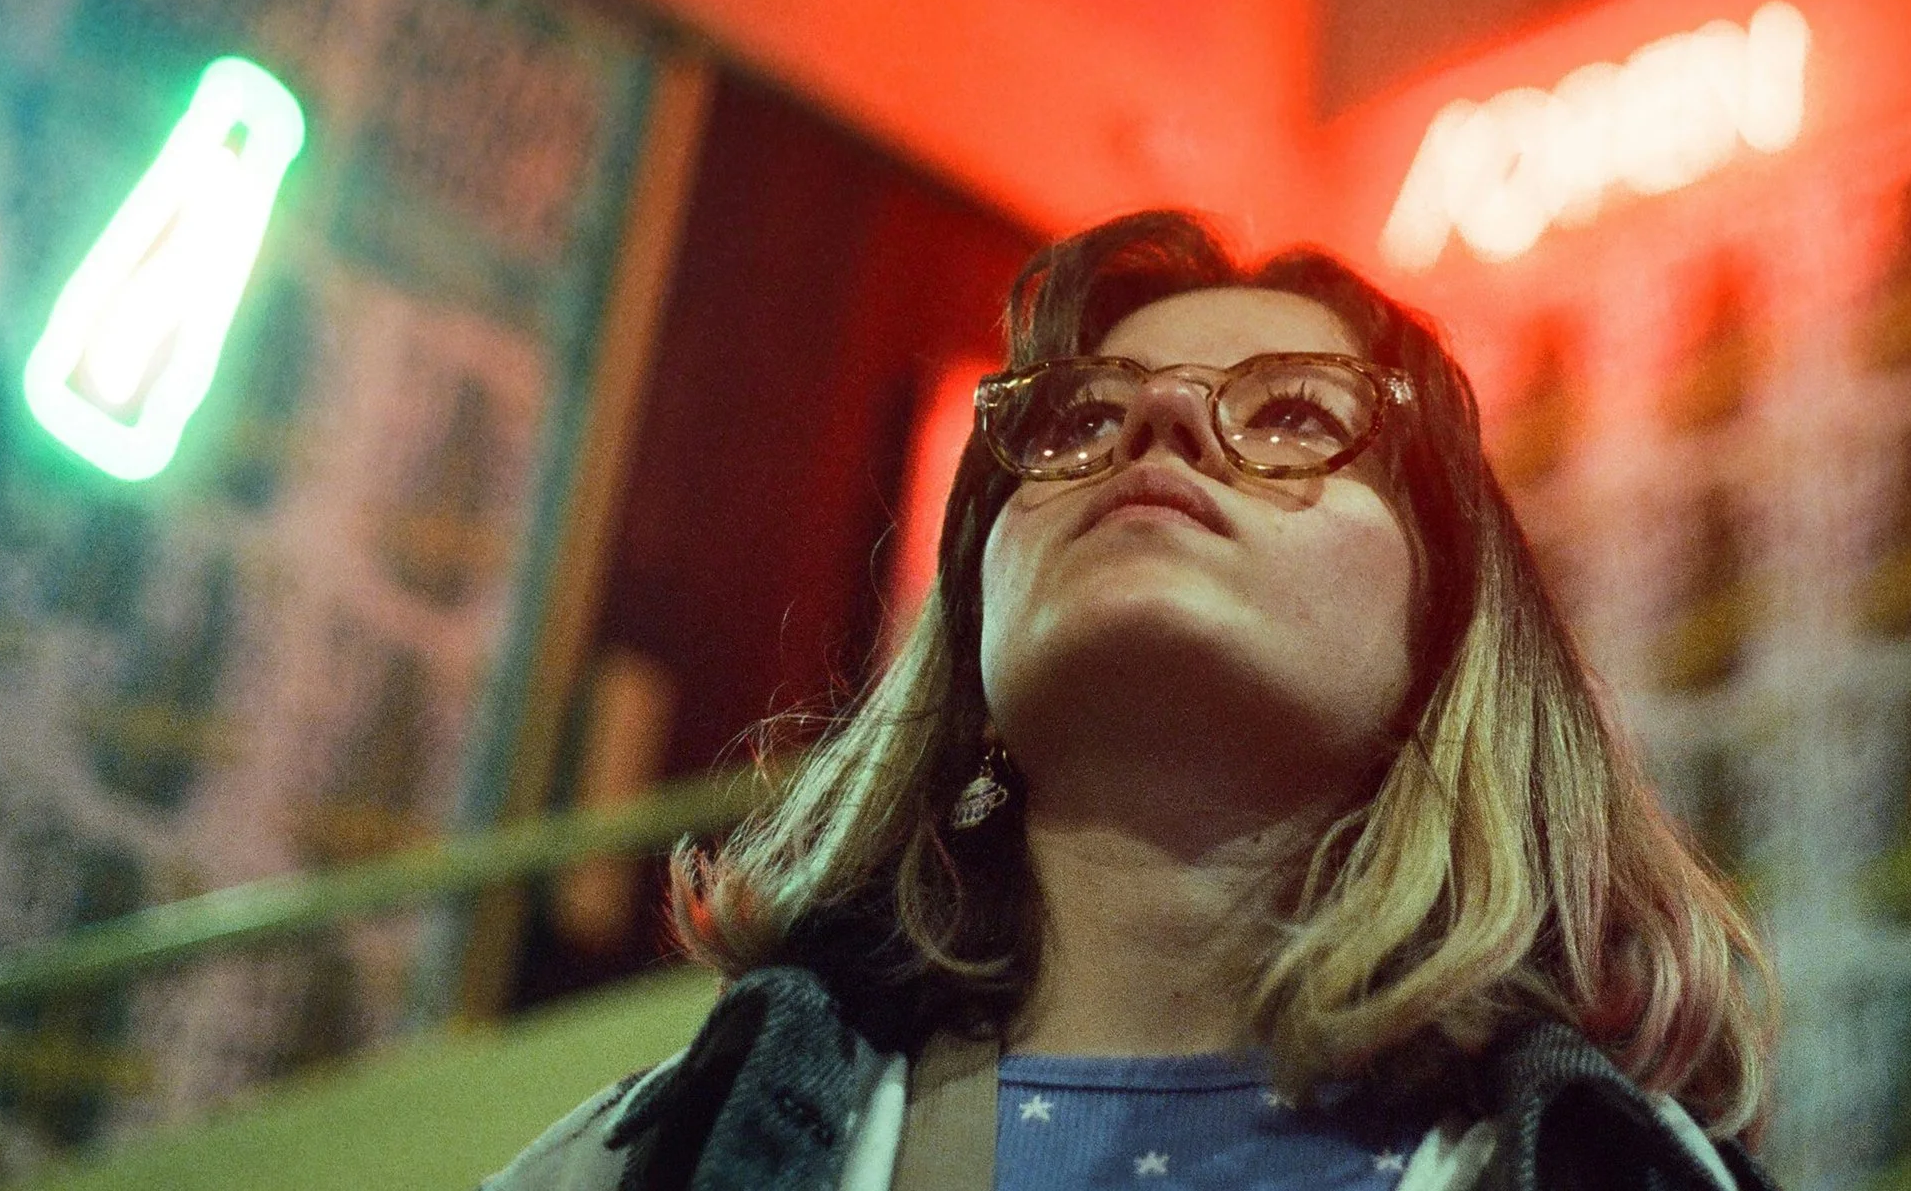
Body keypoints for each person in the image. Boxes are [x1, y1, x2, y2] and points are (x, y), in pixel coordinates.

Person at [486, 211, 1776, 1191]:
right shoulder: (632, 1163)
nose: (1159, 421)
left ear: (1453, 638)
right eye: (1073, 424)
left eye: (1289, 414)